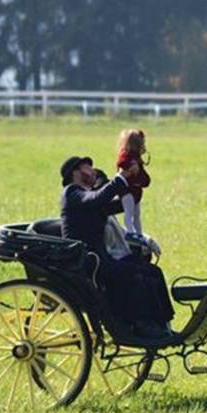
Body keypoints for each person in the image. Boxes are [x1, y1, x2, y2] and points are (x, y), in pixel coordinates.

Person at [59, 155, 175, 344]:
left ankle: (162, 322)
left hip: (102, 258)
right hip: (89, 263)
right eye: (88, 168)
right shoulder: (72, 193)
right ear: (75, 173)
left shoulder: (88, 199)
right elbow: (97, 198)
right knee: (132, 275)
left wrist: (133, 187)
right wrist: (120, 178)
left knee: (152, 271)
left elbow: (117, 205)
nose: (93, 171)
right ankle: (140, 324)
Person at [115, 129, 151, 239]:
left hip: (136, 192)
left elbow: (143, 177)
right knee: (129, 212)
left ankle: (138, 233)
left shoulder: (137, 159)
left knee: (136, 214)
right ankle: (130, 232)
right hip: (127, 191)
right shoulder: (126, 156)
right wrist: (131, 166)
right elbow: (121, 163)